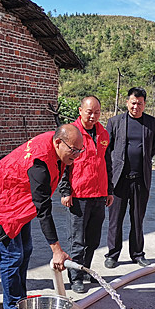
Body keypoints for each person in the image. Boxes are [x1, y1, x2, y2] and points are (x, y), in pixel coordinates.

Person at [0, 125, 81, 309]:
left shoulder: (56, 146)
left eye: (80, 150)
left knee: (26, 249)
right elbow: (43, 210)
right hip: (1, 201)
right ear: (59, 142)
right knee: (13, 255)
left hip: (19, 199)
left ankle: (20, 301)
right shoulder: (40, 165)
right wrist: (57, 250)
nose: (77, 155)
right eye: (74, 150)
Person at [58, 96, 113, 293]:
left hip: (98, 194)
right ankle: (75, 277)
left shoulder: (103, 133)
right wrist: (65, 191)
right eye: (89, 111)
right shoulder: (72, 133)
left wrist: (109, 190)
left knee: (93, 239)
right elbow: (63, 164)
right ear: (80, 110)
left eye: (97, 112)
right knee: (77, 240)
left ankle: (86, 269)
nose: (93, 116)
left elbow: (107, 164)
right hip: (78, 195)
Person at [105, 87, 155, 268]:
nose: (135, 106)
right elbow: (108, 150)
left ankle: (137, 254)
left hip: (141, 179)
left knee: (137, 219)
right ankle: (112, 255)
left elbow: (154, 148)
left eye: (139, 103)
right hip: (119, 179)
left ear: (144, 104)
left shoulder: (153, 123)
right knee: (115, 219)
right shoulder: (114, 122)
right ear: (127, 102)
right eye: (133, 102)